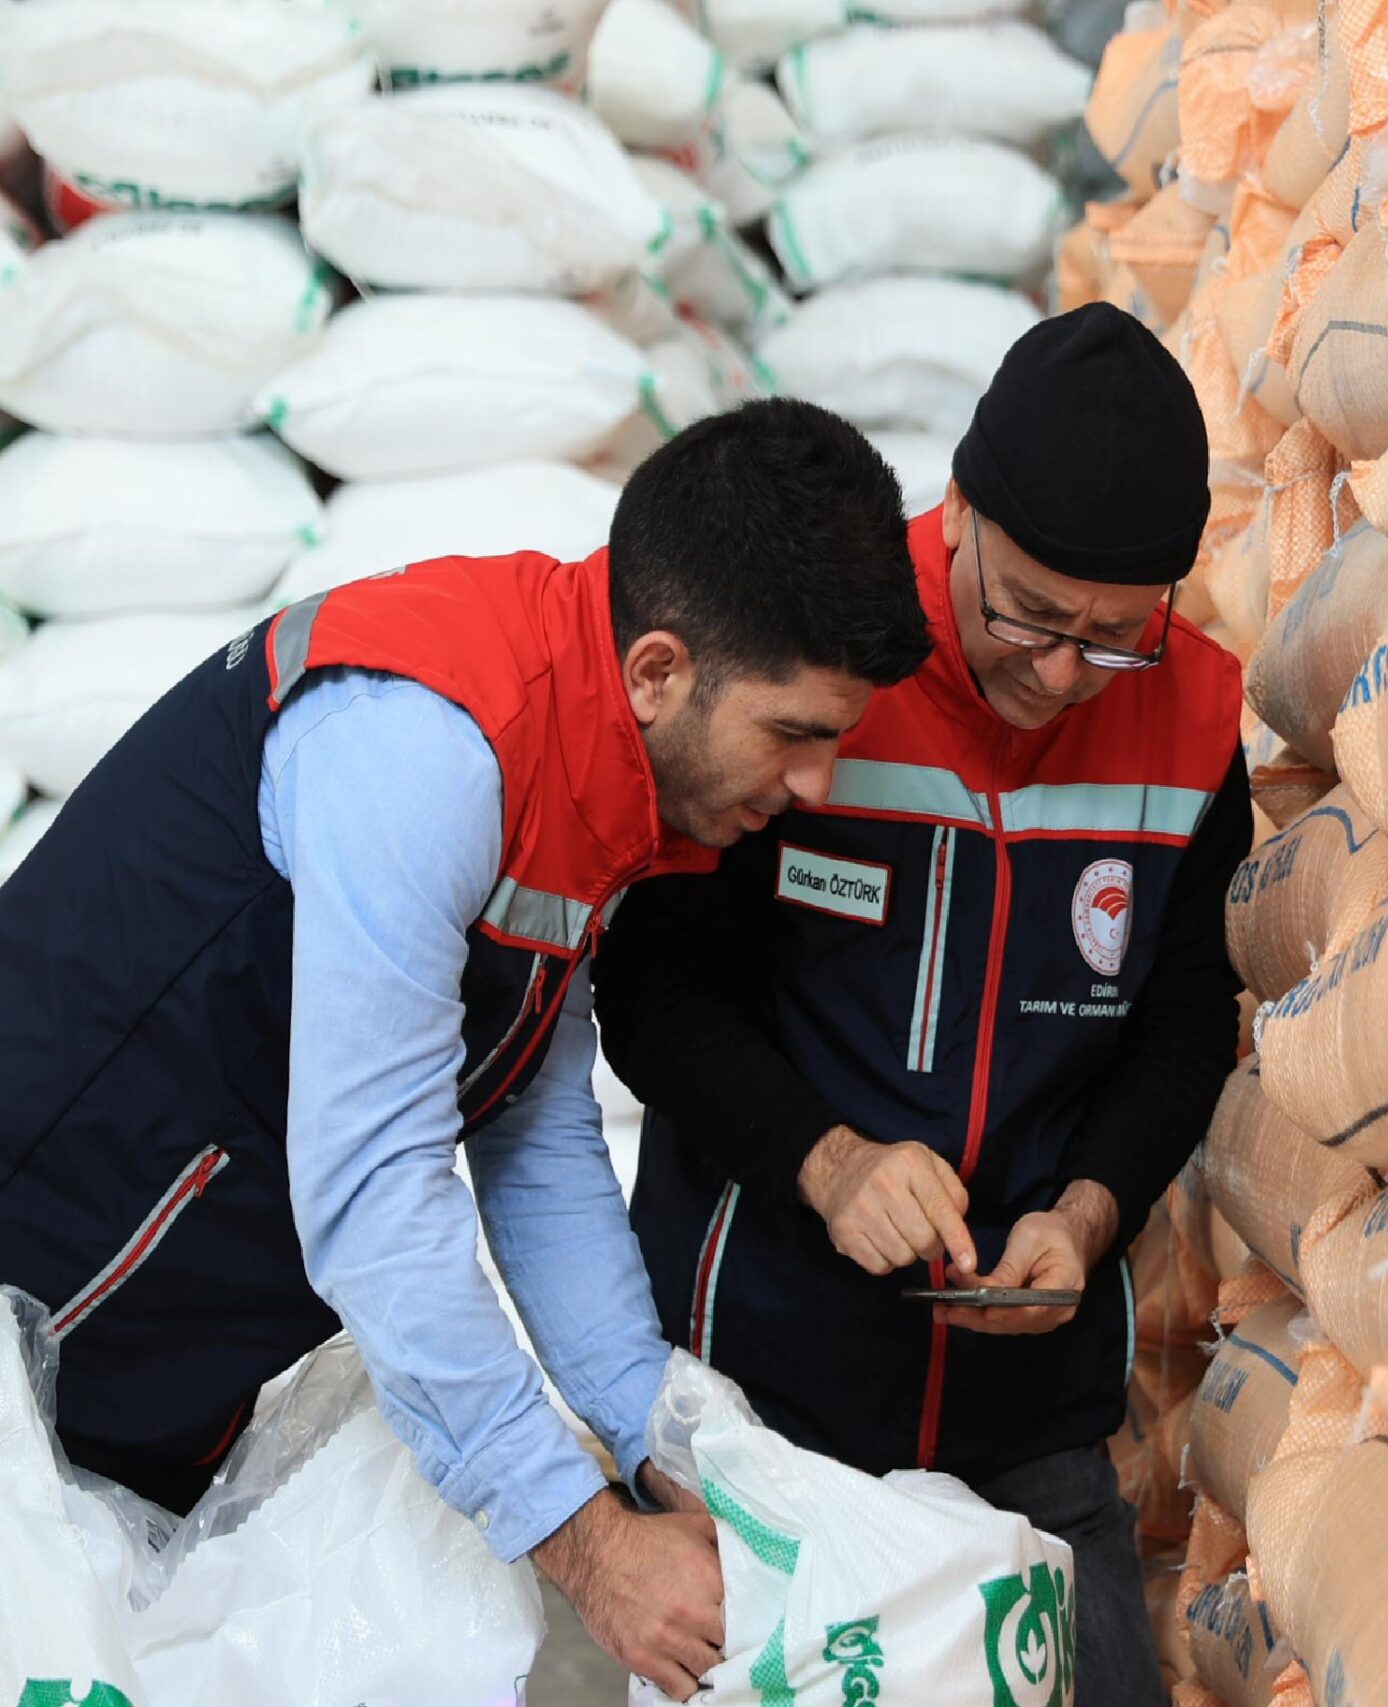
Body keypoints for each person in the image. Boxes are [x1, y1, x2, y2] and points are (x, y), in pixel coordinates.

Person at [0, 400, 932, 1698]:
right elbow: (375, 1198)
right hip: (42, 1290)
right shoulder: (425, 746)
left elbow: (531, 1134)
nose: (819, 787)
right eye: (796, 734)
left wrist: (659, 1433)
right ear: (660, 670)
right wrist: (588, 1545)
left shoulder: (596, 779)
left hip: (155, 1349)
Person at [593, 304, 1251, 1707]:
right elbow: (649, 986)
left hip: (1034, 1421)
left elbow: (1188, 1020)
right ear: (954, 513)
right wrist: (827, 1166)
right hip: (764, 1409)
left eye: (1114, 635)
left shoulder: (1197, 725)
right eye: (1026, 612)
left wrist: (1087, 1213)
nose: (1062, 671)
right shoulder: (821, 661)